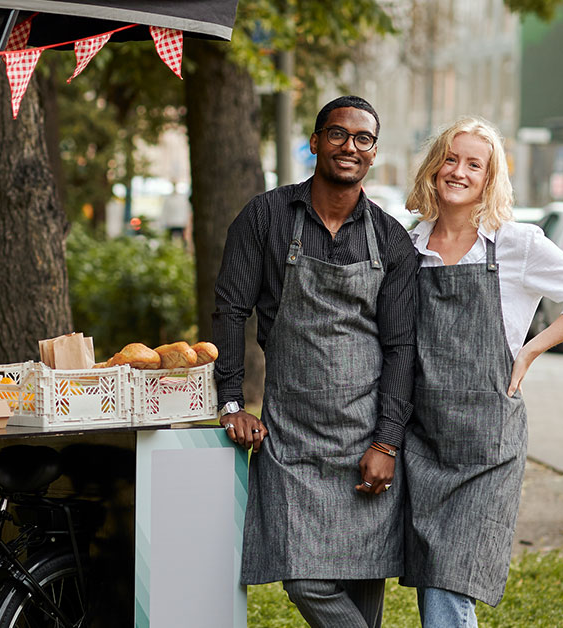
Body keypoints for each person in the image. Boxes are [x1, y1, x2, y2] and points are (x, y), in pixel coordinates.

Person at [212, 95, 418, 628]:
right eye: (337, 134)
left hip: (363, 440)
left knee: (362, 580)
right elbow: (231, 309)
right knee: (305, 581)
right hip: (292, 440)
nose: (349, 146)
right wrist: (232, 401)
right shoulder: (266, 217)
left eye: (363, 138)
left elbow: (401, 348)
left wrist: (386, 442)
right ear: (315, 141)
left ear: (373, 153)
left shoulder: (391, 240)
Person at [400, 116, 563, 627]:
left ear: (490, 178)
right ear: (433, 168)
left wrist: (530, 350)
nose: (459, 171)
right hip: (422, 436)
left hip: (486, 443)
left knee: (453, 576)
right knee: (433, 572)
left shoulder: (515, 245)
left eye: (474, 164)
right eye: (450, 159)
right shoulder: (408, 246)